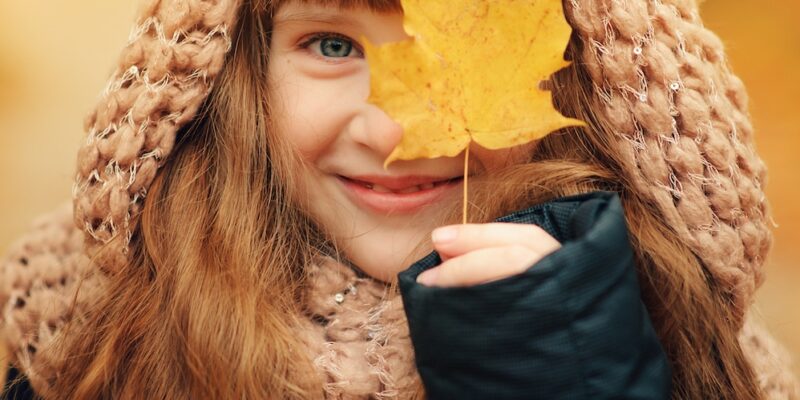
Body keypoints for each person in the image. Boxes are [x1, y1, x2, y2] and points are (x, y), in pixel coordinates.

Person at [1, 0, 798, 398]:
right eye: (333, 45)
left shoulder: (678, 344)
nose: (392, 130)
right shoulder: (75, 327)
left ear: (586, 83)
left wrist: (572, 368)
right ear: (230, 78)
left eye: (454, 51)